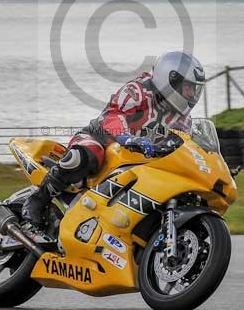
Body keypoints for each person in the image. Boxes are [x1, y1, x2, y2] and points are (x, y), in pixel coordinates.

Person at [22, 50, 206, 229]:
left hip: (139, 162)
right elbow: (113, 115)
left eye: (194, 89)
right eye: (188, 87)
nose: (191, 94)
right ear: (170, 79)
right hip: (100, 138)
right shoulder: (139, 90)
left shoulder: (182, 119)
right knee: (87, 154)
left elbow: (185, 145)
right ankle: (37, 201)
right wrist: (127, 137)